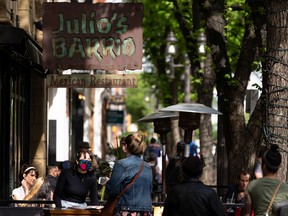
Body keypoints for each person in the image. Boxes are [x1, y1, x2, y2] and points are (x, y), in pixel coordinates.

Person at [105, 133, 153, 215]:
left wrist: (108, 182)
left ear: (125, 146)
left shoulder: (121, 165)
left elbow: (112, 190)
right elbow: (150, 190)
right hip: (145, 211)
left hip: (127, 210)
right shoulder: (147, 167)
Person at [244, 144, 288, 216]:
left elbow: (247, 214)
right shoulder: (286, 188)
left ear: (263, 166)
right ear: (279, 166)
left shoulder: (251, 185)